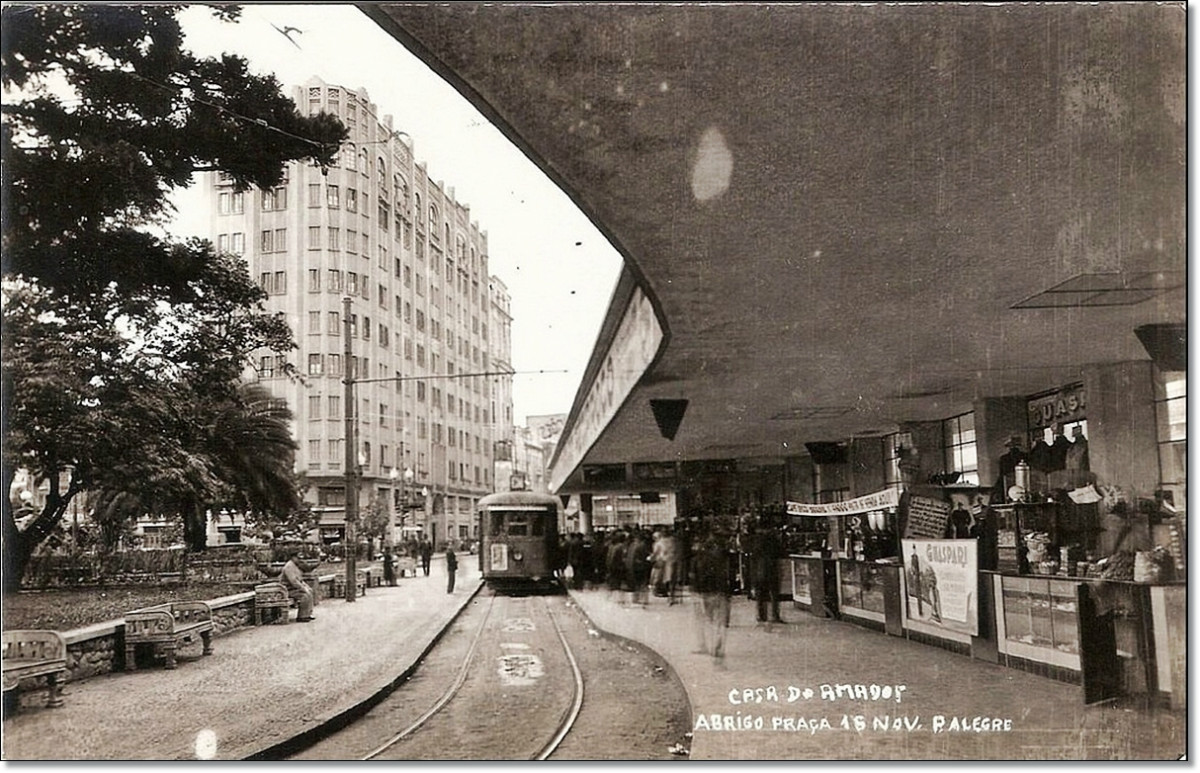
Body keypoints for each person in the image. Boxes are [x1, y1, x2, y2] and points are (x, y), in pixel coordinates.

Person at [692, 533, 732, 663]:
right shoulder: (722, 558)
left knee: (707, 620)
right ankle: (717, 646)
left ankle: (708, 645)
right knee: (719, 621)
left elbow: (694, 578)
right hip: (720, 592)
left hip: (704, 593)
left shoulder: (698, 559)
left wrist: (696, 592)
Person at [748, 524, 784, 624]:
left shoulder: (755, 540)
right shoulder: (773, 540)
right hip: (772, 568)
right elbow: (781, 552)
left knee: (760, 594)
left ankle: (761, 615)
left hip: (759, 570)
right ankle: (775, 616)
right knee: (774, 593)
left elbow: (751, 555)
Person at [279, 554, 315, 622]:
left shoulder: (295, 566)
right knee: (304, 595)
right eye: (298, 558)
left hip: (294, 589)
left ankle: (308, 613)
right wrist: (303, 589)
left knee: (310, 592)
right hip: (287, 590)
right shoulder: (289, 567)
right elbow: (294, 581)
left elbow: (300, 580)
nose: (300, 560)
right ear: (293, 557)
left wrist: (306, 587)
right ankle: (302, 616)